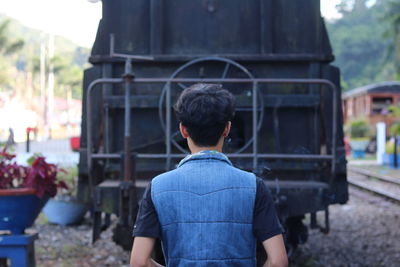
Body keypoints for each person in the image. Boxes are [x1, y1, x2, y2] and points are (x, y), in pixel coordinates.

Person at [130, 83, 288, 267]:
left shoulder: (158, 187)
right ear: (227, 129)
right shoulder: (253, 185)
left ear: (183, 130)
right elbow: (278, 262)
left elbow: (139, 262)